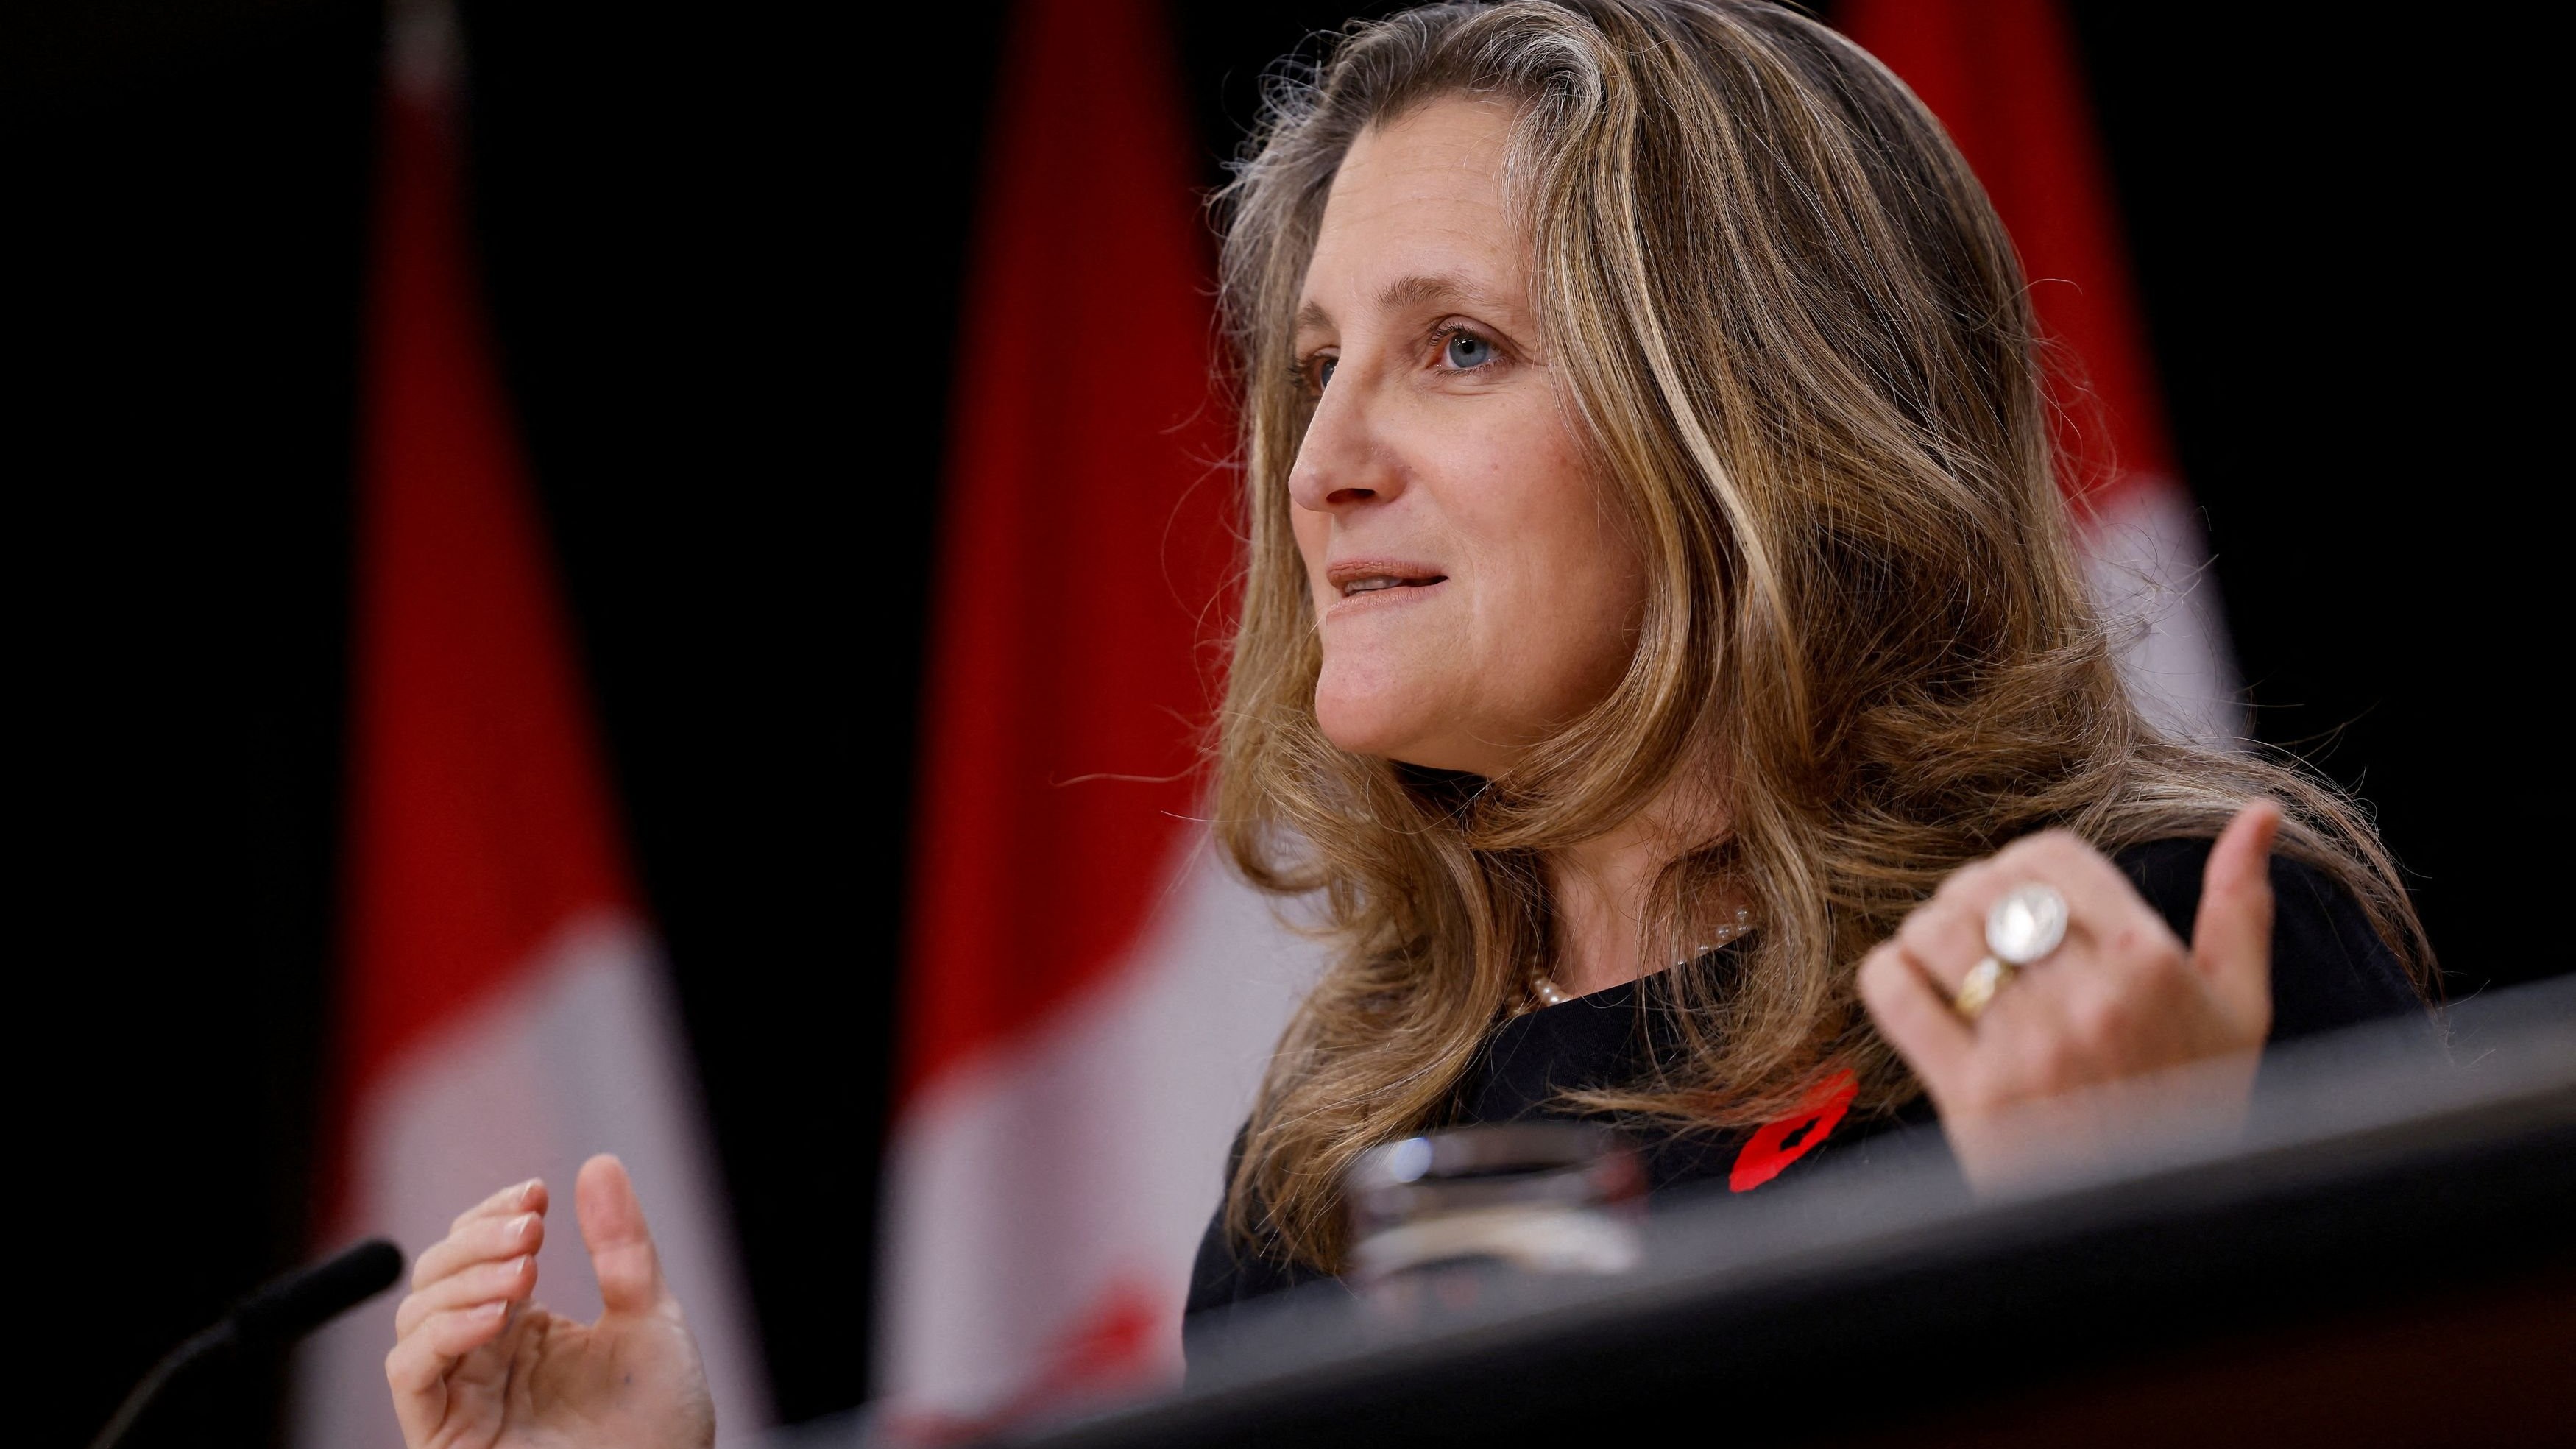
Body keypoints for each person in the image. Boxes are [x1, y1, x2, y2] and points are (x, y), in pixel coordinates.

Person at [382, 3, 2431, 1443]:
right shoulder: (1322, 1181)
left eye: (1453, 348)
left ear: (1765, 431)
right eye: (1305, 362)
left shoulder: (2149, 954)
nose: (1316, 459)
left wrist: (2148, 1245)